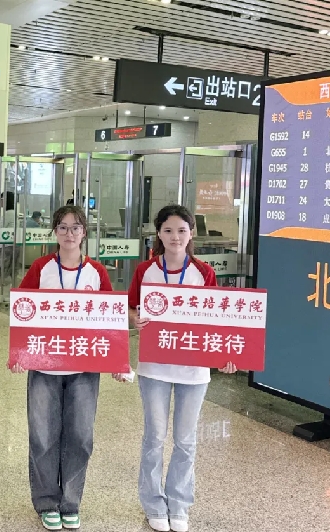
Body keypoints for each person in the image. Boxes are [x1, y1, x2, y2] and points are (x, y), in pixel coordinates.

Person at [127, 205, 237, 532]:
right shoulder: (146, 270)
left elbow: (216, 318)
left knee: (186, 441)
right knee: (154, 437)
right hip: (154, 369)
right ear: (159, 234)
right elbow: (130, 309)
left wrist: (227, 354)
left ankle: (179, 504)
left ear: (191, 234)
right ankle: (153, 504)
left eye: (182, 230)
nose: (175, 237)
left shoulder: (203, 272)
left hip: (193, 370)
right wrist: (135, 319)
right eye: (168, 230)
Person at [10, 205, 118, 531]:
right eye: (63, 227)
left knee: (80, 436)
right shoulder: (41, 268)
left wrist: (117, 361)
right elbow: (22, 310)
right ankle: (47, 502)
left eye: (75, 227)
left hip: (84, 366)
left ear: (84, 232)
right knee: (43, 436)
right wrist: (18, 354)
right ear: (54, 232)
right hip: (45, 365)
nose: (69, 233)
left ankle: (70, 502)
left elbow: (110, 319)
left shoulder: (96, 272)